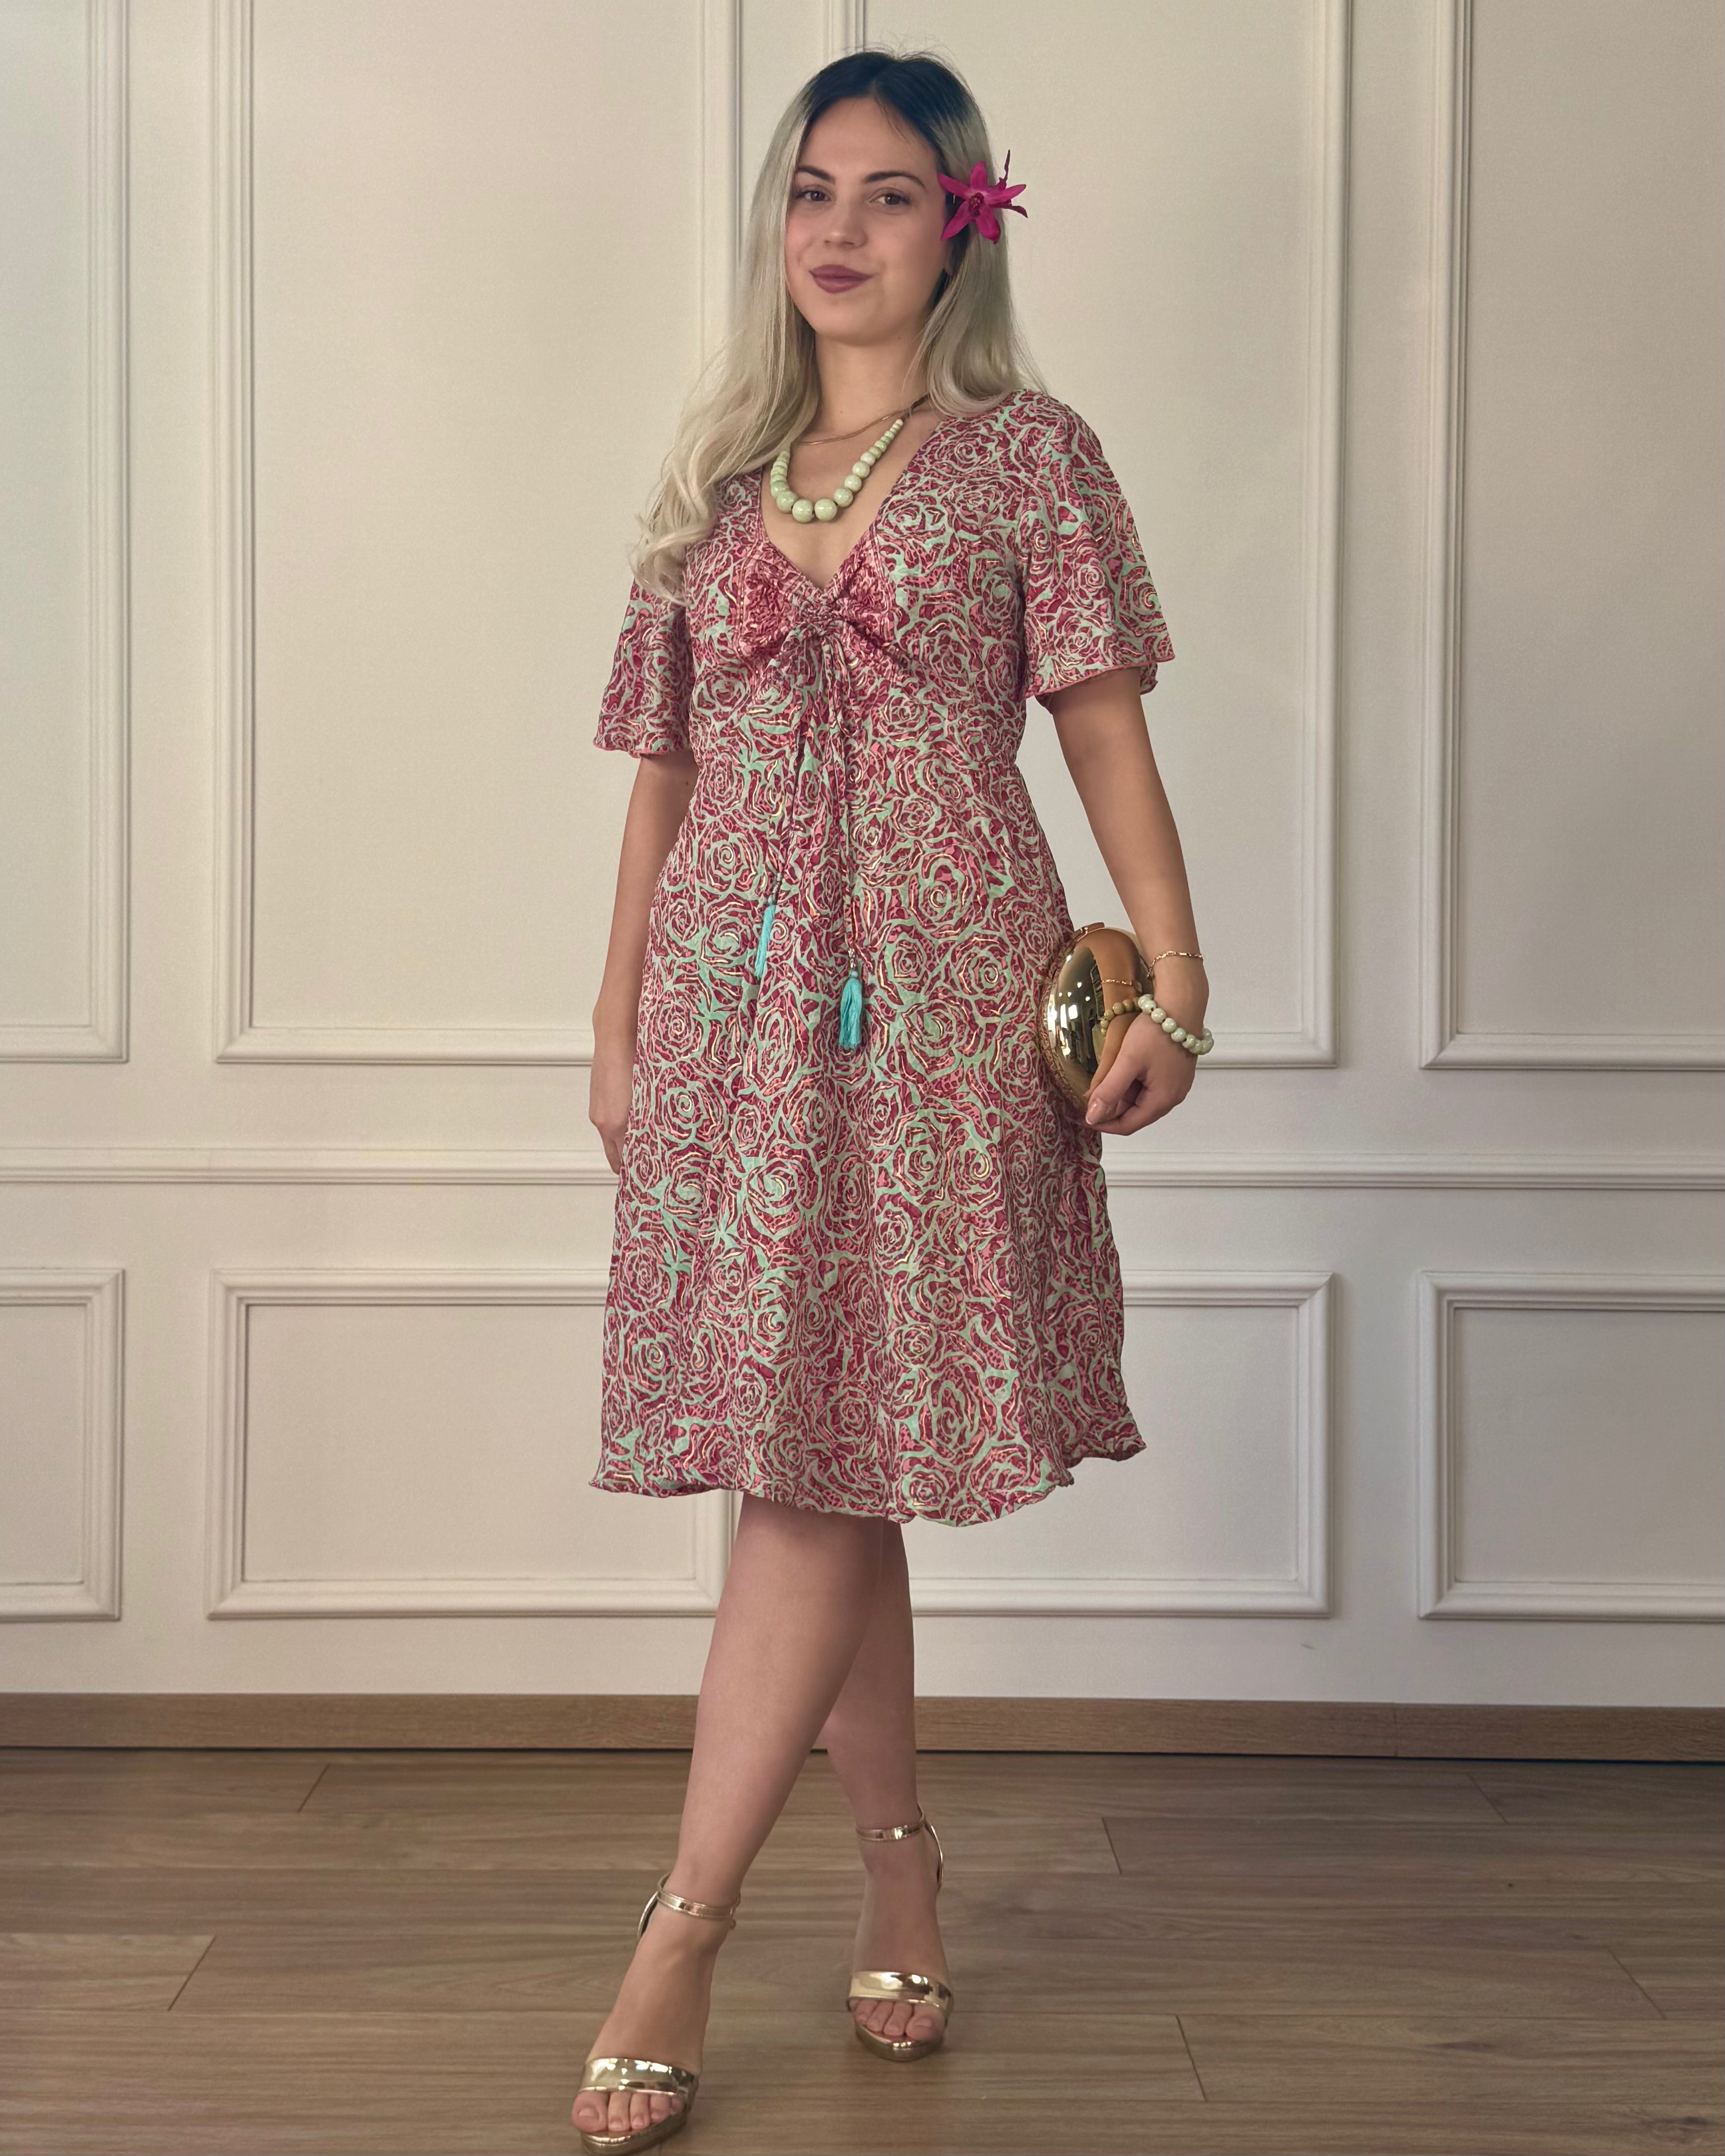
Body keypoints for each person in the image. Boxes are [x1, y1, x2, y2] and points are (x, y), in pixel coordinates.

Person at [575, 45, 1207, 2155]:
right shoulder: (717, 480)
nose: (841, 230)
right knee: (815, 1441)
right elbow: (661, 778)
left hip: (940, 1004)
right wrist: (617, 1019)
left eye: (893, 195)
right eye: (811, 191)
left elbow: (1102, 733)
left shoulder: (1030, 456)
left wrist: (1177, 980)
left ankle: (681, 1929)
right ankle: (900, 1869)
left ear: (963, 230)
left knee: (818, 1465)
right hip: (733, 1004)